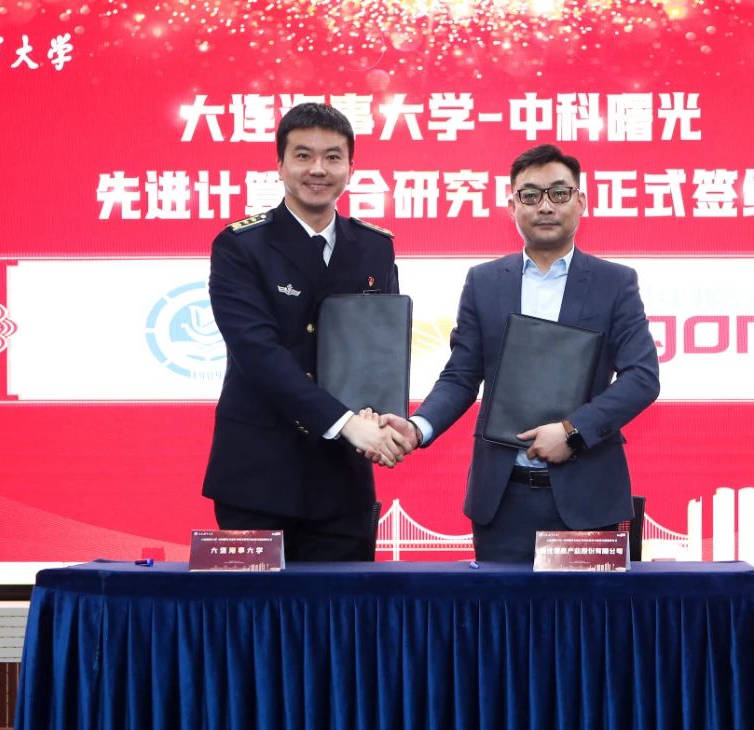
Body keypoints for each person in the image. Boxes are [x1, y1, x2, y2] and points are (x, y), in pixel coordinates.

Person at [374, 144, 660, 562]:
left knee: (587, 609)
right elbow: (461, 376)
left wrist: (573, 432)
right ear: (512, 206)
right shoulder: (485, 282)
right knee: (500, 607)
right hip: (502, 501)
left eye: (559, 193)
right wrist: (418, 428)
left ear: (581, 202)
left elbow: (642, 378)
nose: (545, 206)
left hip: (587, 500)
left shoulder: (614, 283)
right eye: (530, 195)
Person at [202, 102, 410, 562]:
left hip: (343, 481)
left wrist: (377, 417)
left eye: (333, 157)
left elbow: (377, 350)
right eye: (303, 155)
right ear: (280, 165)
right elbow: (259, 355)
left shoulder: (374, 247)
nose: (318, 169)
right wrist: (348, 424)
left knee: (342, 608)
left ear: (351, 168)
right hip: (256, 474)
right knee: (250, 608)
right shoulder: (240, 246)